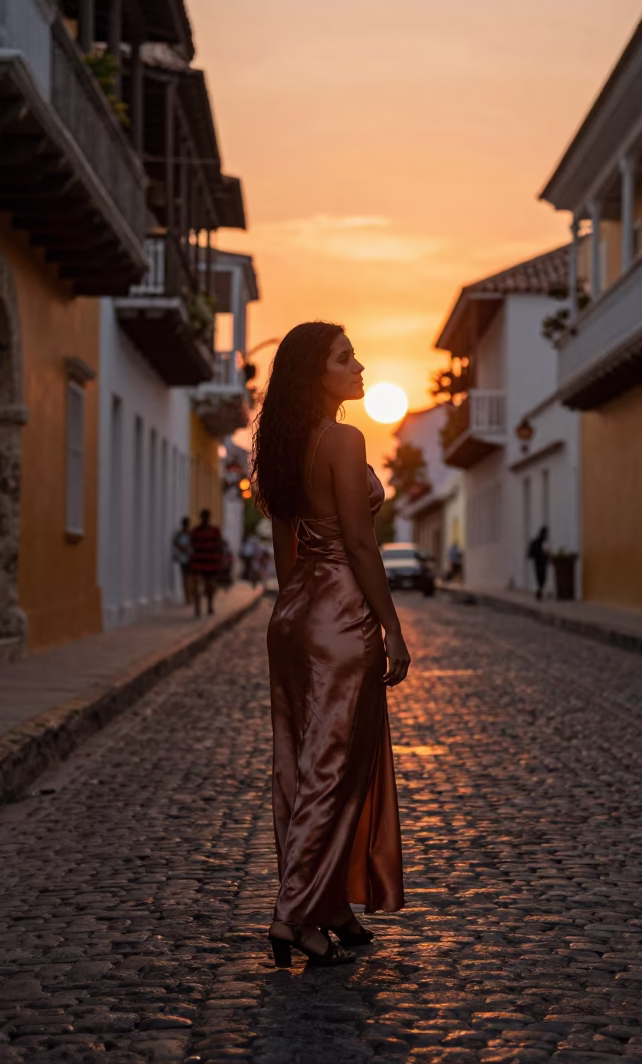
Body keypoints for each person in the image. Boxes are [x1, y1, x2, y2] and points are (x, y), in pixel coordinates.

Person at [252, 321, 410, 969]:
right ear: (314, 374)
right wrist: (390, 625)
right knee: (334, 771)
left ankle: (331, 906)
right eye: (345, 358)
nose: (360, 366)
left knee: (302, 765)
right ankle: (294, 914)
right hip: (341, 616)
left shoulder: (285, 448)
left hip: (295, 616)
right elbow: (359, 541)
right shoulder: (345, 440)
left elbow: (286, 551)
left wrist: (299, 609)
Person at [189, 509, 223, 617]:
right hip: (198, 564)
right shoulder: (196, 531)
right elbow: (191, 545)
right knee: (197, 588)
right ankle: (198, 608)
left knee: (210, 587)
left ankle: (209, 605)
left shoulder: (214, 531)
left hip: (211, 565)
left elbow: (219, 546)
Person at [171, 516, 192, 603]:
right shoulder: (181, 534)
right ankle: (187, 597)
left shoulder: (190, 534)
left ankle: (189, 596)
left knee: (188, 577)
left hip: (189, 557)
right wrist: (182, 549)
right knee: (186, 577)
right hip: (184, 557)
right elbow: (175, 543)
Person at [528, 525, 549, 601]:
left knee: (541, 578)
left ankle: (539, 592)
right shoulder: (542, 542)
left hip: (538, 563)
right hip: (540, 563)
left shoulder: (537, 542)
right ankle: (539, 592)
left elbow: (530, 554)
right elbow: (546, 553)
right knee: (542, 578)